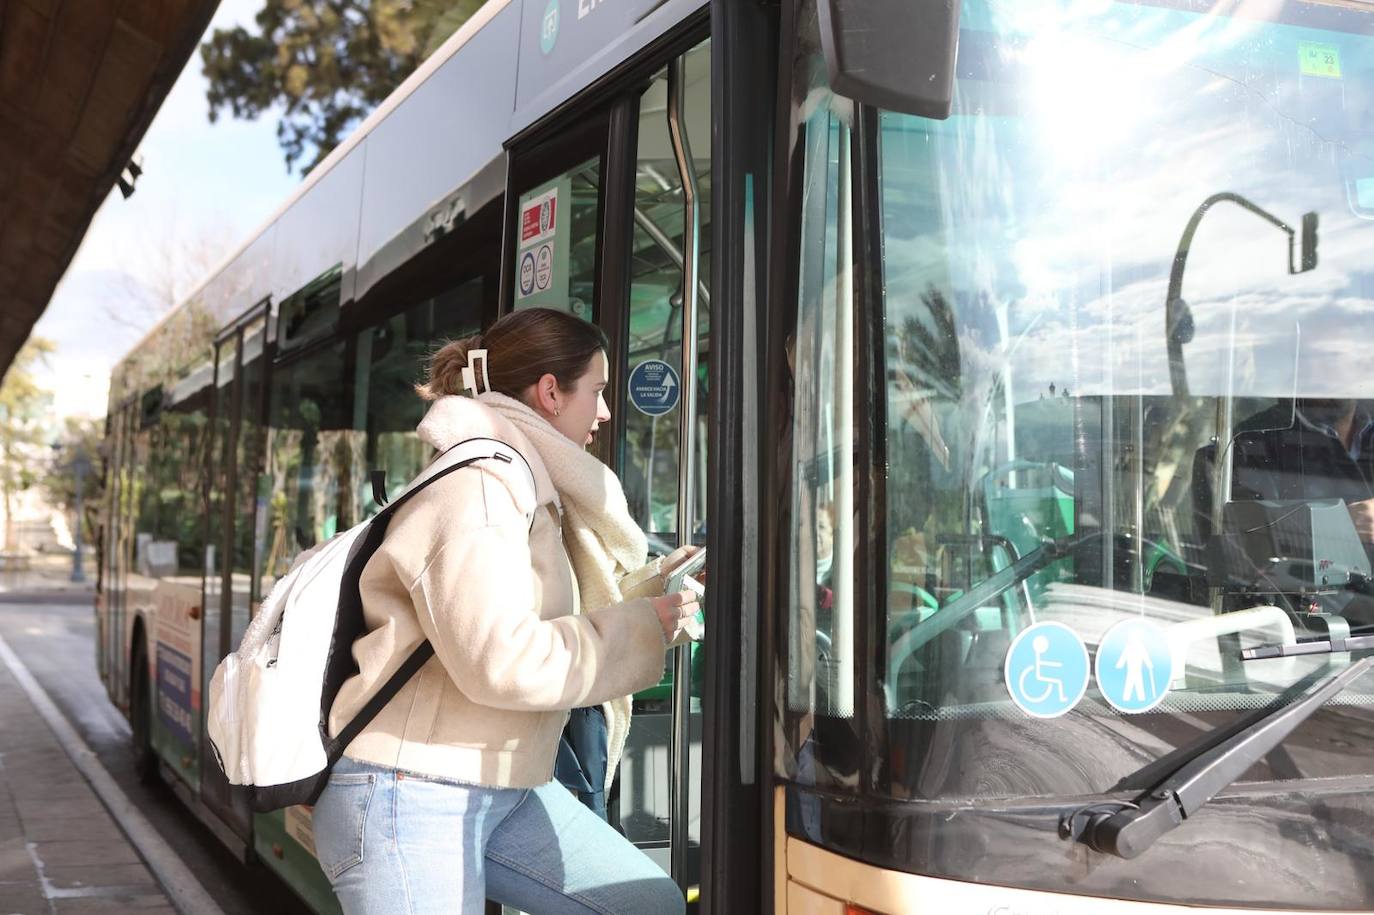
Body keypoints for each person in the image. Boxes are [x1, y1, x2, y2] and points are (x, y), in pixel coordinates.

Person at [311, 307, 696, 914]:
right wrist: (639, 628)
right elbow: (501, 657)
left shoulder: (523, 483)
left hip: (501, 784)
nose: (604, 412)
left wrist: (650, 605)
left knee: (644, 903)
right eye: (596, 390)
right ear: (550, 392)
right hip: (409, 793)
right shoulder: (479, 488)